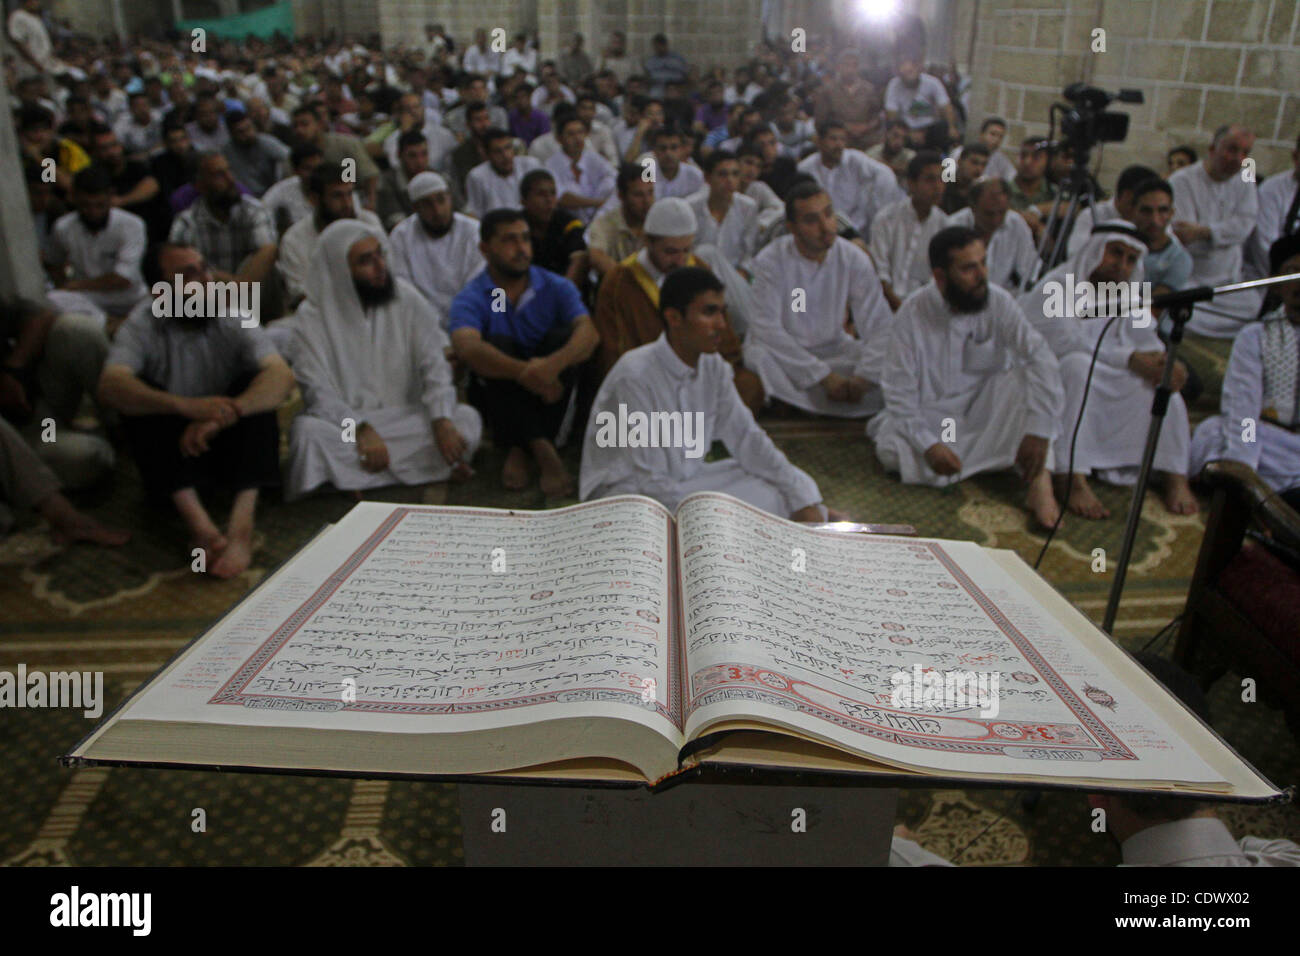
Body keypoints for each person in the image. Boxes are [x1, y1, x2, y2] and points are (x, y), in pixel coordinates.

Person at [98, 243, 293, 578]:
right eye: (188, 275)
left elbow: (281, 377)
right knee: (143, 399)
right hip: (176, 453)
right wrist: (184, 407)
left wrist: (223, 415)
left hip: (229, 442)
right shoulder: (142, 323)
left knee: (256, 387)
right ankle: (200, 527)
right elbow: (110, 386)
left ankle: (240, 525)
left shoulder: (231, 313)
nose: (205, 281)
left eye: (204, 269)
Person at [582, 268, 839, 521]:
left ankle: (809, 514)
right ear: (674, 318)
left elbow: (747, 437)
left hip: (685, 480)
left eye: (722, 312)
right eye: (709, 312)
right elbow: (648, 479)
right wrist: (713, 516)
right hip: (627, 496)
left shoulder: (713, 366)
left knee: (775, 486)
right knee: (725, 514)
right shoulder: (635, 375)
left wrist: (800, 497)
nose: (721, 325)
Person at [867, 226, 1064, 529]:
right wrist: (929, 445)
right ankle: (990, 461)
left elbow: (1041, 357)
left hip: (982, 409)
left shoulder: (998, 301)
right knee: (891, 450)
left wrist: (1039, 431)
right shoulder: (913, 314)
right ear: (941, 276)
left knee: (1025, 379)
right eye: (969, 268)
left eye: (983, 263)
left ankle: (1040, 479)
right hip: (932, 416)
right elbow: (898, 390)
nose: (982, 274)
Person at [288, 220, 481, 499]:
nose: (380, 267)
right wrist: (359, 428)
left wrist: (441, 419)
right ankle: (429, 468)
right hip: (345, 427)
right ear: (340, 270)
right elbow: (317, 391)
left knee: (465, 419)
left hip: (405, 415)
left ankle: (358, 477)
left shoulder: (405, 297)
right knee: (307, 433)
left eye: (380, 254)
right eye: (366, 261)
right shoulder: (310, 318)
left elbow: (434, 365)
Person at [1020, 222, 1197, 518]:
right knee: (1076, 367)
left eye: (1131, 260)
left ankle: (1174, 474)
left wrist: (1163, 363)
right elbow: (1063, 342)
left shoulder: (1128, 293)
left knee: (1163, 386)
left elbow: (1145, 337)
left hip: (1108, 370)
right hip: (1055, 371)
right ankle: (1070, 474)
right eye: (1115, 253)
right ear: (1095, 250)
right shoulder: (1058, 285)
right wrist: (1128, 358)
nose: (1122, 266)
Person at [448, 210, 599, 496]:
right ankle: (542, 448)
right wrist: (525, 373)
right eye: (509, 240)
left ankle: (520, 445)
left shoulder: (554, 285)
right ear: (484, 249)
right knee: (494, 347)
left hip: (551, 390)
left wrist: (549, 367)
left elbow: (589, 334)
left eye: (525, 239)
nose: (521, 248)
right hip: (506, 388)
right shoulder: (475, 294)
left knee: (564, 338)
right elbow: (465, 346)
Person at [592, 197, 762, 411]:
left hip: (699, 376)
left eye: (686, 250)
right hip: (649, 382)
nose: (680, 260)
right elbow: (614, 354)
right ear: (647, 242)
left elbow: (722, 334)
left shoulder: (698, 269)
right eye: (670, 252)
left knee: (749, 386)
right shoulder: (620, 282)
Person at [743, 181, 894, 417]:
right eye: (812, 220)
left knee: (894, 363)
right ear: (792, 228)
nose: (826, 227)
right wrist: (822, 376)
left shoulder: (853, 258)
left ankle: (809, 403)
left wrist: (864, 378)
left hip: (835, 349)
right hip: (784, 356)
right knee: (759, 359)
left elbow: (879, 324)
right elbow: (765, 328)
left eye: (829, 214)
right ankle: (810, 400)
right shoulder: (770, 261)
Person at [1189, 235, 1300, 507]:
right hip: (1266, 440)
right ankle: (1259, 493)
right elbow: (1243, 406)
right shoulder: (1256, 336)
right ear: (1275, 285)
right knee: (1213, 434)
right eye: (1292, 272)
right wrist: (1243, 465)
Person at [0, 297, 114, 489]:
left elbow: (40, 315)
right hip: (15, 440)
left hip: (40, 412)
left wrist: (13, 370)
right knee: (90, 456)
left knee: (77, 330)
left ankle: (119, 424)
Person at [1169, 124, 1262, 336]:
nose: (1238, 158)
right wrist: (1221, 234)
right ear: (1212, 149)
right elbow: (1184, 234)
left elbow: (1245, 225)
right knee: (1176, 307)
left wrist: (1206, 232)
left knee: (1252, 304)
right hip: (1192, 278)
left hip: (1228, 282)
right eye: (1232, 149)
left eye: (1245, 152)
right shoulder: (1182, 181)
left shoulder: (1246, 180)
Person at [45, 166, 148, 322]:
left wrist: (74, 286)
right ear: (74, 197)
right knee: (52, 299)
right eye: (85, 205)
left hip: (129, 296)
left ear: (110, 196)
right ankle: (109, 324)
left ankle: (105, 323)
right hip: (87, 297)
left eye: (100, 205)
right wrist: (64, 286)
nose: (93, 212)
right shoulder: (63, 227)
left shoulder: (132, 224)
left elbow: (123, 278)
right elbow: (53, 263)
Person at [278, 164, 383, 306]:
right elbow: (300, 297)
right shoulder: (294, 240)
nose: (347, 204)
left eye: (349, 194)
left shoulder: (368, 222)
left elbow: (387, 273)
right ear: (314, 200)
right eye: (337, 196)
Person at [387, 172, 483, 327]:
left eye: (441, 200)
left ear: (450, 198)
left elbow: (477, 283)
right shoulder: (401, 236)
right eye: (427, 204)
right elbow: (404, 287)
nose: (437, 211)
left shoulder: (473, 230)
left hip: (470, 315)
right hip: (422, 321)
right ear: (415, 208)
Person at [168, 152, 277, 284]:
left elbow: (267, 250)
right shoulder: (186, 222)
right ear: (199, 185)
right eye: (219, 175)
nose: (231, 179)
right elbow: (180, 269)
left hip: (255, 294)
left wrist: (240, 285)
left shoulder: (253, 210)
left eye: (229, 170)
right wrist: (236, 284)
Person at [797, 119, 903, 241]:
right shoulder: (805, 168)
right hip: (819, 231)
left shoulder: (855, 160)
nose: (839, 144)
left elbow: (885, 174)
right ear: (819, 141)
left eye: (842, 139)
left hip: (855, 231)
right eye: (833, 139)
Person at [870, 150, 950, 309]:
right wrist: (897, 305)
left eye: (942, 179)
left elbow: (939, 279)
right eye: (930, 180)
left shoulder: (944, 225)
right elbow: (879, 271)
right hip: (882, 302)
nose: (938, 187)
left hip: (924, 308)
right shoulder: (887, 218)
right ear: (911, 184)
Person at [948, 178, 1039, 293]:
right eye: (989, 214)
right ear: (973, 208)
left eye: (1001, 212)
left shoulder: (1016, 224)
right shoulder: (953, 227)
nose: (996, 220)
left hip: (1005, 298)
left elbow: (1030, 270)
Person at [290, 104, 380, 210]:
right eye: (295, 126)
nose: (299, 130)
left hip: (355, 200)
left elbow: (370, 175)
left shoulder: (346, 144)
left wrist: (370, 203)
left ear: (319, 124)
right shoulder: (295, 155)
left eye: (304, 124)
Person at [687, 150, 761, 276]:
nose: (730, 180)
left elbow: (749, 254)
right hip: (696, 276)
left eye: (735, 174)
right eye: (722, 174)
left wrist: (738, 278)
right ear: (707, 177)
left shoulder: (748, 207)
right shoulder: (690, 207)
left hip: (735, 276)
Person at [1066, 164, 1159, 259]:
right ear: (1127, 196)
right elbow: (1075, 256)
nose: (1152, 215)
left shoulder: (1153, 219)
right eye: (1145, 207)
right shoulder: (1092, 215)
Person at [545, 113, 616, 226]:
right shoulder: (551, 165)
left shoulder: (594, 158)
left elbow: (614, 178)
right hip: (567, 223)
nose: (578, 138)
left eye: (580, 132)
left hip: (598, 220)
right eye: (571, 134)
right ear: (559, 139)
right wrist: (598, 203)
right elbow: (562, 198)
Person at [519, 169, 588, 285]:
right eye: (541, 194)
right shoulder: (516, 226)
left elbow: (579, 260)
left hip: (566, 290)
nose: (549, 200)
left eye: (553, 193)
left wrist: (561, 295)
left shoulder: (569, 223)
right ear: (524, 201)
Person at [586, 162, 654, 277]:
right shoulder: (605, 223)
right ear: (621, 196)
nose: (647, 201)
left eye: (650, 193)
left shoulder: (659, 219)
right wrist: (630, 282)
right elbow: (596, 256)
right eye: (638, 195)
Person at [1131, 178, 1193, 301]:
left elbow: (1152, 309)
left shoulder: (1179, 259)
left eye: (1162, 210)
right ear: (1133, 211)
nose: (1154, 220)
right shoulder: (1117, 247)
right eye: (1146, 211)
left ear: (1171, 213)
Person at [884, 53, 959, 148]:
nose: (909, 75)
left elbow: (946, 107)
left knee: (943, 127)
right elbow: (891, 115)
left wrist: (952, 128)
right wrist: (908, 133)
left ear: (918, 70)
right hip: (907, 129)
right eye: (905, 73)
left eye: (911, 71)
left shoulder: (933, 82)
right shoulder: (894, 85)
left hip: (930, 128)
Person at [813, 49, 884, 150]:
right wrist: (844, 127)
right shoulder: (828, 90)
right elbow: (820, 121)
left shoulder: (869, 89)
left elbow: (878, 117)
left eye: (854, 65)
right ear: (839, 67)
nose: (850, 69)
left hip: (867, 141)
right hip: (838, 143)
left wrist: (866, 127)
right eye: (846, 65)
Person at [465, 128, 543, 218]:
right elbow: (475, 212)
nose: (506, 156)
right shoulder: (476, 176)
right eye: (498, 152)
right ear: (486, 155)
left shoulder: (531, 165)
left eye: (508, 148)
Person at [221, 109, 290, 197]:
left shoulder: (265, 142)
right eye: (241, 132)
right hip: (244, 197)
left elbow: (289, 156)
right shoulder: (227, 152)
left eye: (249, 128)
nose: (248, 134)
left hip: (271, 193)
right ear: (232, 134)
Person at [261, 142, 323, 234]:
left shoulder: (334, 188)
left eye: (318, 168)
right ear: (296, 170)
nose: (315, 174)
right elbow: (262, 211)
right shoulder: (282, 190)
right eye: (308, 168)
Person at [646, 125, 704, 200]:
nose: (668, 153)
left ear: (682, 149)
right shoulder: (646, 174)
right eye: (662, 148)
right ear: (654, 151)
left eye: (674, 148)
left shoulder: (695, 176)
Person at [950, 118, 1014, 181]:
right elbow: (947, 177)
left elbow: (1012, 176)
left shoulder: (1001, 159)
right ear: (981, 134)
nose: (996, 140)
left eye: (1000, 137)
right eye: (993, 134)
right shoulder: (958, 151)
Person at [938, 142, 988, 214]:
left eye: (983, 164)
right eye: (974, 162)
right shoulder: (942, 185)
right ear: (960, 161)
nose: (979, 169)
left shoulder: (978, 194)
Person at [866, 119, 916, 189]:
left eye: (904, 138)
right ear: (886, 134)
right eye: (895, 136)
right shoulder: (872, 153)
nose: (899, 142)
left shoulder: (910, 157)